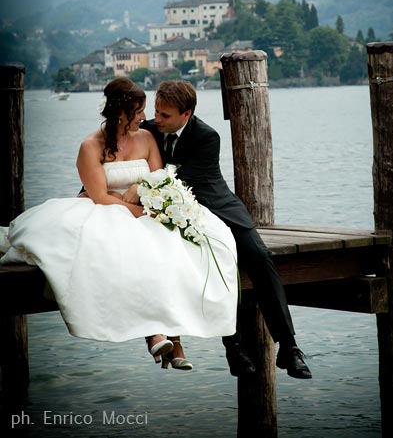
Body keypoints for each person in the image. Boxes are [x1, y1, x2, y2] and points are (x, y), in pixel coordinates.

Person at [0, 78, 238, 371]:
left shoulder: (147, 138)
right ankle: (158, 336)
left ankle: (172, 336)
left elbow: (158, 177)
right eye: (139, 111)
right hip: (107, 210)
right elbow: (99, 195)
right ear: (121, 112)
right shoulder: (90, 146)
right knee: (129, 255)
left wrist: (146, 197)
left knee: (174, 253)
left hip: (142, 207)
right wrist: (135, 212)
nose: (145, 117)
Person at [141, 80, 312, 380]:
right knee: (212, 261)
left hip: (215, 206)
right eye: (156, 111)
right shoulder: (148, 130)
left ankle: (289, 346)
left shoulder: (207, 136)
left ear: (186, 114)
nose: (158, 119)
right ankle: (233, 345)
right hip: (169, 216)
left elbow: (183, 181)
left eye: (165, 115)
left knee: (259, 257)